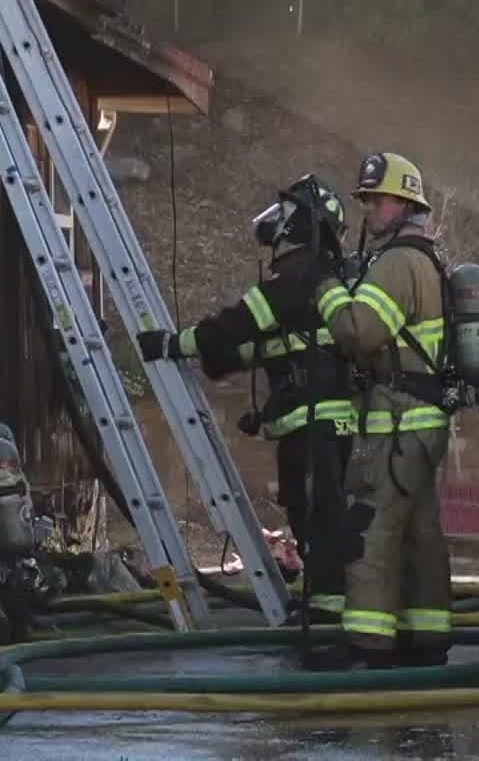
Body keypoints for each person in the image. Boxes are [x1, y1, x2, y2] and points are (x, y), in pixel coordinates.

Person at [135, 175, 355, 626]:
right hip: (319, 423)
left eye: (288, 213)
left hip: (314, 421)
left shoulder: (297, 278)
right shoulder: (313, 281)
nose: (277, 222)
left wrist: (175, 344)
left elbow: (235, 324)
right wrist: (222, 359)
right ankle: (322, 600)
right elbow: (268, 345)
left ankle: (327, 613)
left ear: (304, 226)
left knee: (318, 515)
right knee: (311, 510)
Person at [316, 151, 452, 668]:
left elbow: (359, 331)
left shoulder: (397, 264)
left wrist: (325, 288)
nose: (369, 208)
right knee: (421, 534)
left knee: (372, 527)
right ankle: (427, 638)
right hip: (423, 422)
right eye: (366, 199)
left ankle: (368, 643)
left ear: (404, 202)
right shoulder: (428, 258)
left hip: (395, 424)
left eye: (377, 199)